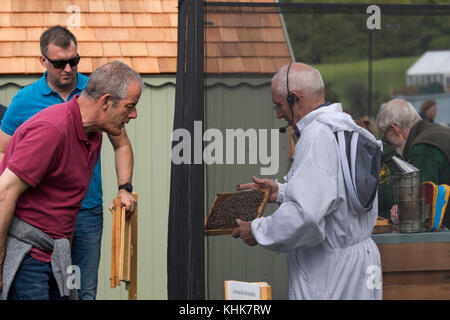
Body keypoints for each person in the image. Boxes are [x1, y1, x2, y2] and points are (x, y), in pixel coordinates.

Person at [0, 26, 137, 300]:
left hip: (65, 237)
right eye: (129, 106)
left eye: (73, 61)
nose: (134, 114)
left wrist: (125, 187)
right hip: (30, 251)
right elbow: (5, 190)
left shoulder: (96, 126)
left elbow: (122, 147)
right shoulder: (49, 126)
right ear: (106, 102)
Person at [232, 62, 383, 300]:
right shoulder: (348, 129)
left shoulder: (316, 135)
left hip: (330, 273)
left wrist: (256, 230)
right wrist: (280, 192)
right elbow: (336, 194)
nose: (278, 114)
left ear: (296, 98)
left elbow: (307, 216)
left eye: (279, 105)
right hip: (361, 264)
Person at [376, 98, 450, 227]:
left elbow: (423, 207)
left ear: (394, 129)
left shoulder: (422, 148)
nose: (390, 146)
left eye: (386, 140)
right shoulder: (435, 132)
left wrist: (402, 213)